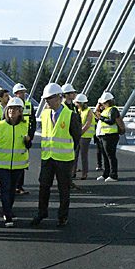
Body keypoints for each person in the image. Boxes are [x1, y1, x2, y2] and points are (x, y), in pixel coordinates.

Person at [30, 83, 80, 227]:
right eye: (45, 99)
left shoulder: (70, 115)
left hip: (64, 160)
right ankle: (42, 212)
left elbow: (76, 138)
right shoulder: (45, 114)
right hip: (48, 158)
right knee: (43, 186)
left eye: (49, 98)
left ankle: (62, 216)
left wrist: (68, 152)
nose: (47, 101)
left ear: (59, 98)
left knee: (63, 189)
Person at [0, 97, 31, 227]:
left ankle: (8, 209)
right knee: (5, 188)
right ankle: (7, 215)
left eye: (15, 109)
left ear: (20, 112)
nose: (12, 111)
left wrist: (27, 142)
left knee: (12, 189)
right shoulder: (0, 126)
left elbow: (27, 146)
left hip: (18, 164)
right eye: (10, 109)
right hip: (2, 164)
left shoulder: (25, 126)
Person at [11, 83, 36, 195]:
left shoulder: (29, 106)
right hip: (13, 137)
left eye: (24, 92)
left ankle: (19, 186)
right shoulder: (10, 106)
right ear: (15, 94)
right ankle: (12, 185)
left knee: (22, 162)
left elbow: (33, 122)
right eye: (21, 92)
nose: (23, 94)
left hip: (25, 138)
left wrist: (30, 135)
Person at [95, 92, 123, 182]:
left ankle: (113, 174)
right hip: (104, 135)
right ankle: (106, 173)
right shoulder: (105, 110)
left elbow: (111, 121)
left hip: (111, 135)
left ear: (107, 102)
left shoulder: (113, 109)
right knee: (105, 156)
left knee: (111, 156)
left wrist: (101, 118)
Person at [59, 84, 81, 178]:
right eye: (72, 93)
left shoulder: (74, 106)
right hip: (64, 137)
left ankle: (71, 176)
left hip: (74, 137)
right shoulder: (62, 107)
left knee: (73, 158)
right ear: (66, 94)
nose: (74, 94)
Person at [73, 93, 95, 180]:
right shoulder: (79, 111)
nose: (76, 104)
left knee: (83, 155)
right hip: (79, 135)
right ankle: (73, 172)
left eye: (77, 103)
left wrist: (80, 133)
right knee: (75, 154)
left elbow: (88, 124)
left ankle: (84, 173)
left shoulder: (89, 111)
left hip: (86, 136)